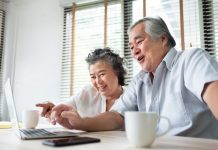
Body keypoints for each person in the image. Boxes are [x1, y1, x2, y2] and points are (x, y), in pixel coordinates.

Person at [48, 16, 218, 139]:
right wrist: (79, 123)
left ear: (163, 39)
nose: (134, 50)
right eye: (131, 46)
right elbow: (115, 117)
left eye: (139, 41)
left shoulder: (191, 59)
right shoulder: (140, 80)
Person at [36, 47, 126, 122]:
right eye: (93, 77)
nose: (98, 81)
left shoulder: (131, 98)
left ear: (117, 72)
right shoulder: (87, 92)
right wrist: (52, 110)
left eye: (102, 74)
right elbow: (62, 110)